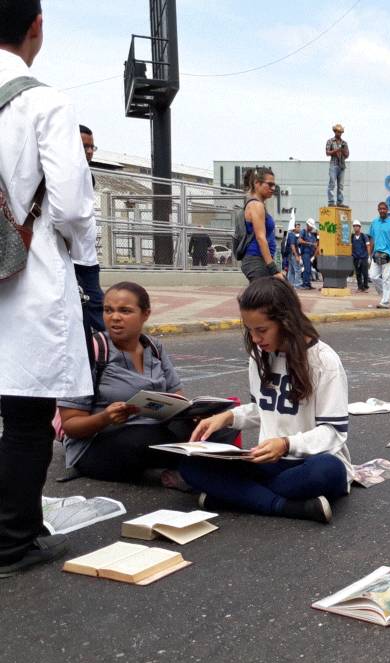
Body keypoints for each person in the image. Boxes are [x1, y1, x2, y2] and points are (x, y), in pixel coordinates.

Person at [0, 0, 97, 577]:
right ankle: (15, 541)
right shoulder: (44, 102)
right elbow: (69, 204)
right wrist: (83, 264)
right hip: (26, 271)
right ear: (36, 26)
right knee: (27, 413)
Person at [180, 278, 353, 522]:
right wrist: (227, 417)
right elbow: (263, 409)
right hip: (266, 460)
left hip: (310, 462)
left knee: (327, 471)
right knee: (191, 466)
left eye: (261, 330)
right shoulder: (261, 356)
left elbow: (333, 433)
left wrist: (285, 444)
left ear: (286, 321)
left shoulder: (324, 361)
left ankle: (234, 497)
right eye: (249, 330)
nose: (255, 338)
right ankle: (286, 506)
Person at [57, 283, 238, 483]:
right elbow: (71, 426)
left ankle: (187, 469)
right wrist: (106, 417)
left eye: (125, 311)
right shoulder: (91, 351)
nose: (115, 317)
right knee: (144, 440)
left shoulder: (154, 347)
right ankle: (189, 470)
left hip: (156, 432)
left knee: (214, 431)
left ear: (146, 314)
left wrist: (197, 414)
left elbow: (177, 398)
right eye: (108, 310)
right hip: (102, 444)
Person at [75, 123, 104, 332]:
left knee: (96, 309)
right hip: (70, 258)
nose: (89, 151)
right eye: (84, 146)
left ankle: (110, 358)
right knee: (83, 314)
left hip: (87, 258)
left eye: (92, 147)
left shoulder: (87, 175)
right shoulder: (61, 174)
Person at [240, 167, 285, 283]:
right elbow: (260, 238)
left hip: (261, 261)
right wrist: (273, 269)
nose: (273, 188)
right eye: (269, 184)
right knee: (266, 298)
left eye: (274, 185)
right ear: (257, 184)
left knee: (266, 299)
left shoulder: (259, 205)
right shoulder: (256, 205)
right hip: (256, 261)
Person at [368, 201, 390, 309]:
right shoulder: (374, 223)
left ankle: (385, 301)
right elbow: (372, 239)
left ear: (387, 210)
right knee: (372, 276)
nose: (382, 210)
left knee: (387, 279)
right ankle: (385, 294)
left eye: (384, 209)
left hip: (389, 255)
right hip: (376, 254)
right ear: (378, 210)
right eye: (380, 209)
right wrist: (370, 255)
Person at [325, 123, 348, 206]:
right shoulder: (330, 141)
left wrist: (343, 150)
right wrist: (337, 150)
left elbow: (347, 155)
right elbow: (327, 153)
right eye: (337, 131)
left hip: (342, 165)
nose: (339, 133)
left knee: (341, 185)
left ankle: (340, 202)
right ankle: (331, 202)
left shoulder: (344, 143)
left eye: (340, 132)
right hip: (333, 165)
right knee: (332, 184)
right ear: (335, 131)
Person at [296, 218, 319, 289]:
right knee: (307, 269)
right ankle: (305, 284)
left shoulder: (312, 235)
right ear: (307, 225)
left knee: (309, 269)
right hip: (305, 253)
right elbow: (299, 240)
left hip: (310, 254)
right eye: (311, 226)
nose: (312, 228)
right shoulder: (303, 232)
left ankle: (308, 284)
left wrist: (314, 256)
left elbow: (315, 244)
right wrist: (310, 243)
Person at [351, 220, 371, 293]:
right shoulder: (352, 236)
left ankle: (365, 287)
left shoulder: (364, 236)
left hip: (363, 258)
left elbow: (368, 246)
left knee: (365, 273)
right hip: (356, 258)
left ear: (360, 227)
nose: (356, 227)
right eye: (354, 226)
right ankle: (360, 287)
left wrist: (369, 256)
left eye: (357, 226)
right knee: (358, 273)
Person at [283, 222, 302, 287]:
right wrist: (296, 256)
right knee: (298, 270)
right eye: (298, 227)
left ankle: (289, 284)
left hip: (290, 255)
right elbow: (292, 245)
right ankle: (297, 284)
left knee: (291, 270)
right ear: (294, 228)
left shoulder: (290, 235)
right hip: (293, 255)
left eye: (299, 227)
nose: (299, 228)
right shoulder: (292, 235)